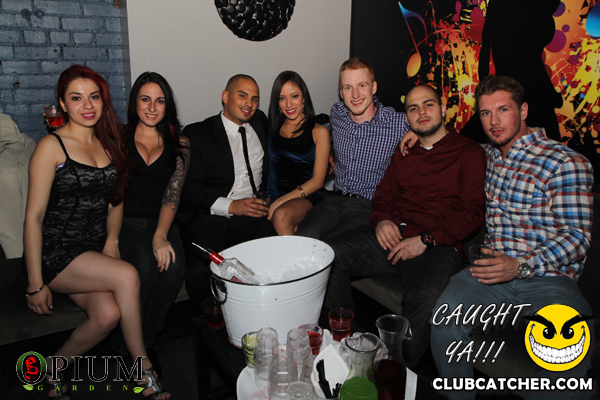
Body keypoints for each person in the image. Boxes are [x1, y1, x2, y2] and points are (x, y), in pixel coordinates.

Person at [430, 75, 594, 399]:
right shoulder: (485, 155)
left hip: (549, 279)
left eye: (503, 110)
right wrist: (418, 135)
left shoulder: (564, 162)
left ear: (524, 110)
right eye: (486, 113)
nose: (494, 121)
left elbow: (577, 237)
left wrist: (520, 265)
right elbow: (445, 144)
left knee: (569, 350)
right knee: (444, 319)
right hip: (488, 274)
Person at [24, 65, 169, 399]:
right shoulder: (51, 146)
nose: (87, 105)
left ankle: (53, 367)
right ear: (63, 104)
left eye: (94, 97)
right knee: (127, 275)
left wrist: (112, 241)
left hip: (90, 250)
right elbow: (33, 218)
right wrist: (35, 283)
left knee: (107, 315)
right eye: (76, 98)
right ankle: (143, 370)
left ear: (104, 101)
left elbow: (115, 201)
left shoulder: (108, 144)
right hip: (54, 251)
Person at [324, 85, 486, 369]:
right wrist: (382, 219)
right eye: (413, 108)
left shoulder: (469, 152)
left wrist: (426, 239)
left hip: (437, 245)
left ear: (443, 108)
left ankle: (394, 369)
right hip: (394, 235)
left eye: (428, 104)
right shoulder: (404, 151)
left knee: (426, 298)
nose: (421, 112)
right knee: (331, 255)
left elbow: (472, 213)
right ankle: (346, 346)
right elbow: (384, 195)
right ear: (407, 118)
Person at [178, 74, 277, 312]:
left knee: (272, 259)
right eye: (242, 95)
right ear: (225, 97)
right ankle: (211, 324)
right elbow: (190, 188)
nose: (249, 104)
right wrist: (232, 206)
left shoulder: (260, 123)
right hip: (210, 216)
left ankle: (263, 315)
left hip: (251, 217)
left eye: (255, 99)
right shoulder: (198, 133)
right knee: (198, 271)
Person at [110, 72, 189, 362]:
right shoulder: (118, 137)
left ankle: (146, 340)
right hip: (125, 222)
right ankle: (122, 343)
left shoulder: (180, 142)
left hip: (161, 222)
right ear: (135, 103)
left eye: (160, 101)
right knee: (142, 268)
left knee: (174, 267)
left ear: (168, 105)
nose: (152, 107)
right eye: (145, 99)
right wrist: (112, 237)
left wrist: (160, 236)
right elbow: (112, 193)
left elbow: (173, 195)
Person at [295, 57, 410, 240]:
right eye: (348, 88)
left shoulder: (396, 122)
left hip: (368, 206)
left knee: (335, 246)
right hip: (332, 200)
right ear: (341, 92)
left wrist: (417, 133)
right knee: (303, 239)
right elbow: (324, 131)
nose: (355, 95)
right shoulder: (337, 113)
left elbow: (434, 130)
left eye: (362, 86)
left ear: (373, 87)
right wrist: (327, 149)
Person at [266, 71, 330, 235]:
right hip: (273, 195)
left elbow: (318, 181)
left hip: (305, 197)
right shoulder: (271, 128)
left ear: (304, 98)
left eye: (294, 96)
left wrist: (281, 201)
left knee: (281, 215)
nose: (289, 104)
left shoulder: (319, 131)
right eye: (282, 98)